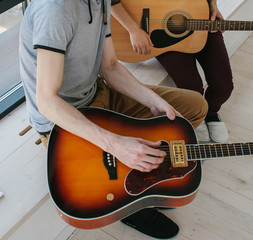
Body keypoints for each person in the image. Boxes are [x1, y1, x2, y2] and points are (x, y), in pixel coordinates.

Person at [19, 0, 208, 239]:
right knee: (110, 171)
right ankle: (127, 203)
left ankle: (147, 177)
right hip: (63, 120)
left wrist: (154, 101)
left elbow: (109, 66)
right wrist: (116, 144)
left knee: (194, 107)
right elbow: (47, 101)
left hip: (98, 92)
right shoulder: (55, 8)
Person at [111, 0, 233, 143]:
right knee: (192, 89)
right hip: (162, 29)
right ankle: (198, 117)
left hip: (201, 17)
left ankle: (210, 112)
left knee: (224, 87)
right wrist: (133, 29)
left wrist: (213, 6)